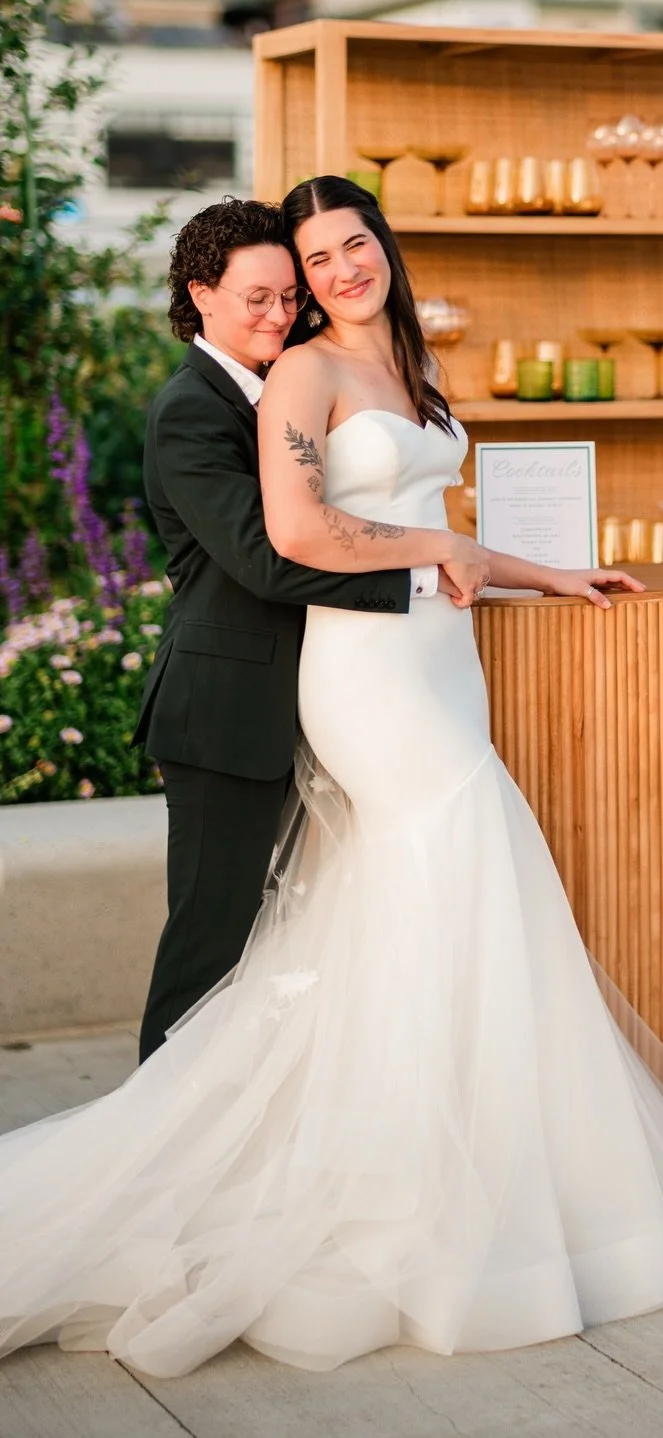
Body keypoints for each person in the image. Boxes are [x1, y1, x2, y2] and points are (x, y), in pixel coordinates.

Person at [0, 176, 663, 1378]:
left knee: (427, 908)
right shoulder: (292, 380)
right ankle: (190, 1194)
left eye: (346, 251)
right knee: (403, 872)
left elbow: (434, 519)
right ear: (212, 295)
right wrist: (438, 554)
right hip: (363, 679)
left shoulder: (396, 362)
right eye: (304, 266)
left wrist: (537, 573)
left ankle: (476, 1177)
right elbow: (289, 539)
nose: (328, 277)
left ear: (381, 250)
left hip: (437, 660)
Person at [134, 198, 492, 1061]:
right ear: (202, 295)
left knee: (291, 944)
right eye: (256, 297)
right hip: (226, 708)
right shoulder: (192, 410)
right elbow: (265, 558)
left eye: (291, 297)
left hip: (322, 688)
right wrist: (421, 570)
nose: (280, 313)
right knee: (210, 946)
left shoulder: (286, 384)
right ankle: (164, 1147)